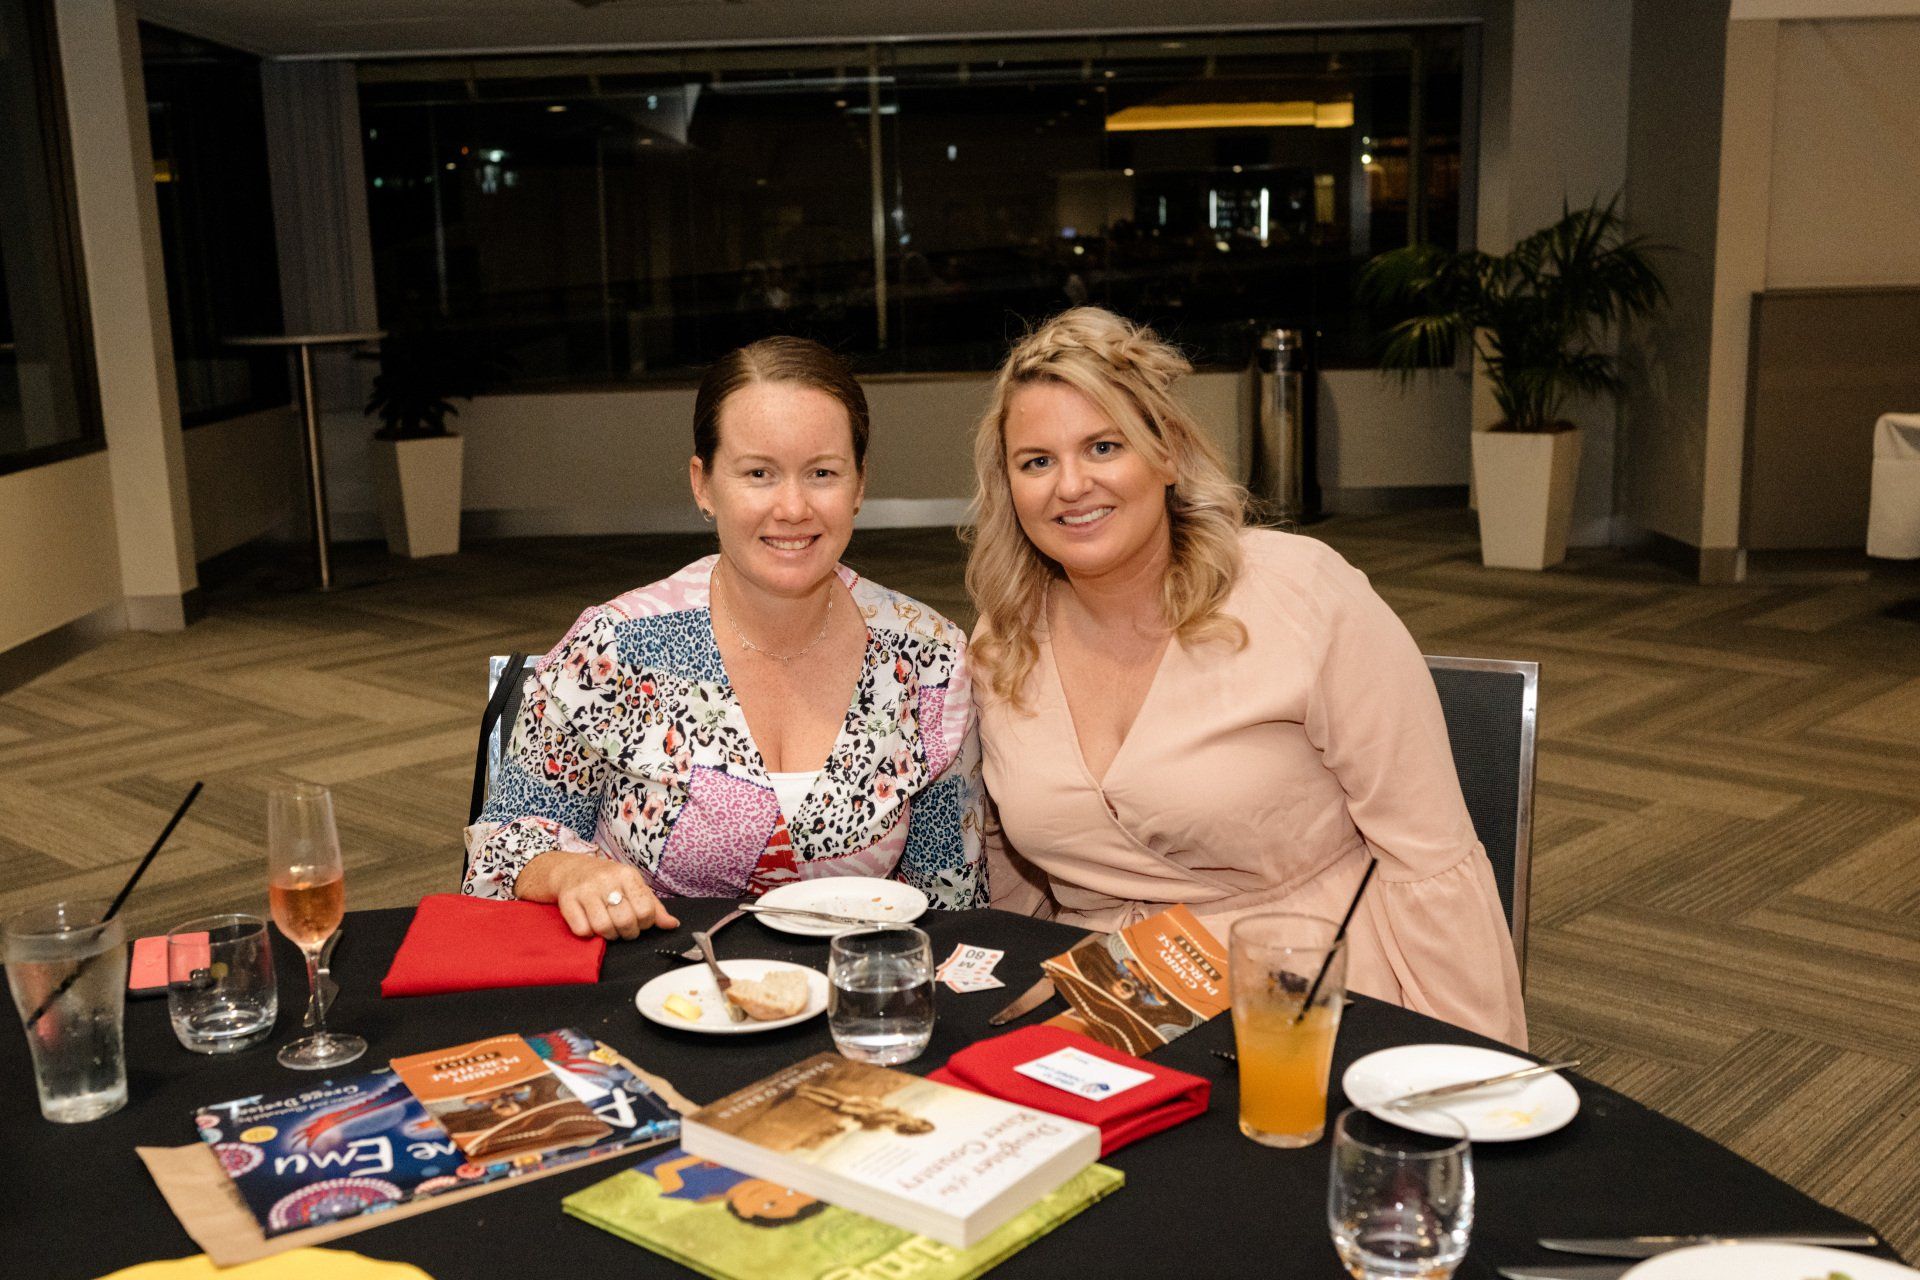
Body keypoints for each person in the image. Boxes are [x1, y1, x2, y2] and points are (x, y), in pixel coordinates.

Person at [966, 307, 1527, 1046]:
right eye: (1036, 461)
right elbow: (1009, 866)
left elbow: (1428, 854)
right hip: (1109, 995)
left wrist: (1472, 1073)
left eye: (1104, 446)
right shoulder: (1005, 641)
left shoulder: (1301, 595)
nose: (1070, 484)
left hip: (1299, 989)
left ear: (1165, 455)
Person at [463, 336, 985, 938]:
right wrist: (568, 872)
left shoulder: (928, 660)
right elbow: (502, 847)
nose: (793, 507)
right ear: (703, 485)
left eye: (822, 473)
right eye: (759, 473)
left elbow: (952, 901)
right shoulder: (614, 650)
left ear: (860, 485)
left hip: (853, 1002)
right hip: (651, 1001)